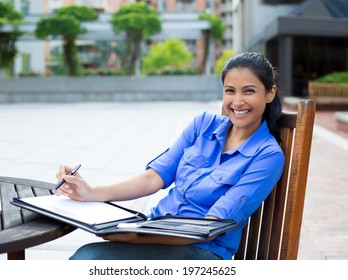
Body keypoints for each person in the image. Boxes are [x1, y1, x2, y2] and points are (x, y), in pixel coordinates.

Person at [56, 52, 285, 260]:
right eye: (229, 90)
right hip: (155, 231)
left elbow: (209, 227)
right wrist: (91, 193)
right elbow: (152, 178)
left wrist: (134, 237)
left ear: (270, 93)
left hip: (200, 251)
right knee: (86, 256)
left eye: (249, 91)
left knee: (87, 260)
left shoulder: (267, 156)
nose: (237, 102)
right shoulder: (203, 125)